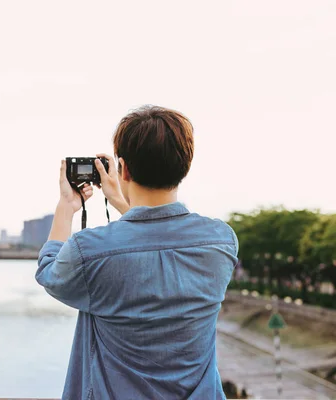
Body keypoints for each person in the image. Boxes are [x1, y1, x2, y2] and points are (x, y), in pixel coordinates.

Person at [36, 105, 239, 399]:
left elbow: (49, 272)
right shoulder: (220, 242)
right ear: (185, 165)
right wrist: (120, 200)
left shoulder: (90, 250)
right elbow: (154, 240)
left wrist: (66, 208)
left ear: (124, 169)